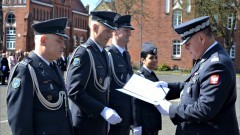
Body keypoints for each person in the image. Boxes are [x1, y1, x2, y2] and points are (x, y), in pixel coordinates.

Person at [155, 16, 240, 135]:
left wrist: (171, 109)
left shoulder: (217, 64)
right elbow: (193, 86)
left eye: (188, 43)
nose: (186, 48)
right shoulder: (205, 58)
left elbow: (205, 108)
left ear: (201, 38)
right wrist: (166, 87)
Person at [7, 17, 73, 135]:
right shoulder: (25, 70)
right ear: (43, 40)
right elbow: (20, 123)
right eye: (59, 40)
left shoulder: (53, 66)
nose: (63, 46)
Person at [66, 11, 122, 135]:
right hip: (85, 123)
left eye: (112, 31)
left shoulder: (103, 54)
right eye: (107, 31)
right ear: (95, 28)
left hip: (100, 122)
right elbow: (74, 90)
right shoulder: (83, 53)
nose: (110, 35)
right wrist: (101, 110)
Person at [106, 15, 134, 135]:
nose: (129, 34)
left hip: (126, 114)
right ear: (115, 32)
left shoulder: (126, 55)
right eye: (126, 30)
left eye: (129, 31)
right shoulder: (108, 54)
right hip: (114, 113)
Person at [133, 42, 162, 135]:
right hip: (144, 124)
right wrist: (136, 126)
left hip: (153, 123)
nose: (154, 60)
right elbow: (135, 104)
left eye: (156, 57)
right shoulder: (139, 77)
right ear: (143, 60)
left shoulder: (152, 74)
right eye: (151, 58)